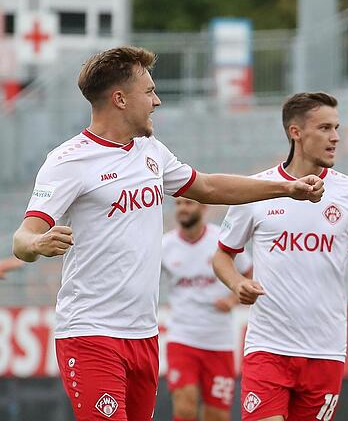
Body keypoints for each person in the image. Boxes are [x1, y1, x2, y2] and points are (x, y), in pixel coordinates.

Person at [11, 46, 324, 421]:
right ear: (120, 98)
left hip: (144, 335)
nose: (157, 101)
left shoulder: (151, 152)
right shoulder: (67, 161)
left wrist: (285, 187)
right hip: (90, 332)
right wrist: (38, 243)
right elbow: (23, 239)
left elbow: (207, 187)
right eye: (149, 92)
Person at [212, 92, 348, 421]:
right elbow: (222, 256)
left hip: (324, 349)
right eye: (324, 128)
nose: (335, 137)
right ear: (296, 132)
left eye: (337, 128)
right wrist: (238, 283)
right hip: (268, 347)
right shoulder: (257, 189)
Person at [162, 197, 252, 421]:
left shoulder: (221, 241)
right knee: (185, 407)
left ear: (204, 208)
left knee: (217, 415)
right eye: (180, 203)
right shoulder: (165, 245)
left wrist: (232, 299)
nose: (183, 208)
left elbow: (248, 272)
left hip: (219, 340)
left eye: (189, 203)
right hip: (181, 337)